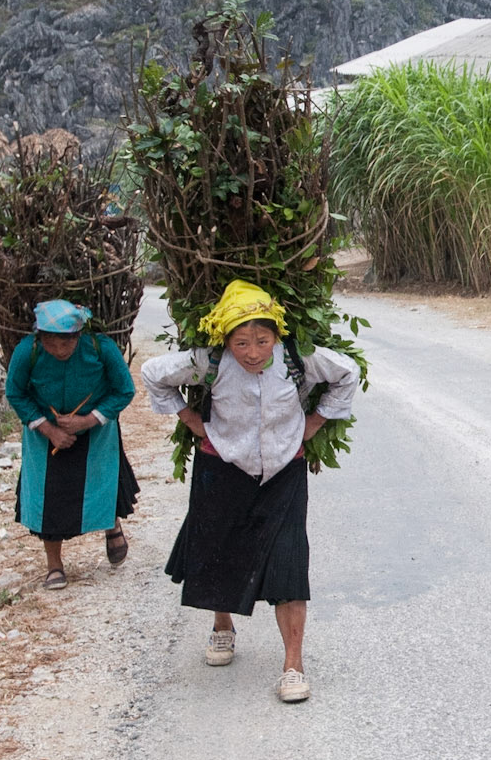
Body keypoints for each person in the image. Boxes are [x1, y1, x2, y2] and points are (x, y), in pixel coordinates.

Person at [141, 280, 360, 704]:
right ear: (226, 339)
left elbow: (347, 373)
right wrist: (190, 420)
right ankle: (223, 627)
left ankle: (293, 665)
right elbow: (153, 373)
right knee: (222, 549)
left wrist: (314, 422)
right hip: (223, 466)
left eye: (262, 340)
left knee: (289, 560)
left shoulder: (298, 359)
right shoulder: (211, 361)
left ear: (277, 337)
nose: (253, 352)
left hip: (284, 469)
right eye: (241, 341)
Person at [5, 300, 138, 589]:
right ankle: (54, 565)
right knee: (47, 496)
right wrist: (49, 429)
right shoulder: (28, 351)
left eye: (65, 344)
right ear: (39, 338)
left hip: (96, 429)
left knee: (101, 484)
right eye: (50, 343)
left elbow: (124, 390)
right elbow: (15, 393)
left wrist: (87, 420)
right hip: (44, 433)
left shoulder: (100, 347)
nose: (58, 350)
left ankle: (111, 524)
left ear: (78, 336)